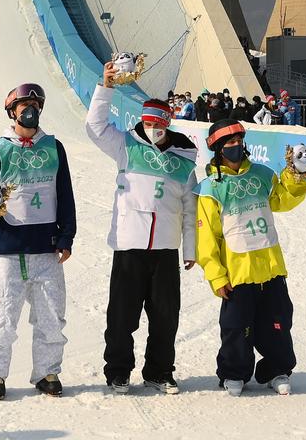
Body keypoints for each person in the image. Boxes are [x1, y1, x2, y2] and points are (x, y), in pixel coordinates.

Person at [86, 64, 199, 395]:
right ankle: (118, 371)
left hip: (165, 248)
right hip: (130, 243)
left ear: (167, 124)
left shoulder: (184, 160)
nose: (153, 128)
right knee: (122, 315)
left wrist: (189, 250)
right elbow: (94, 127)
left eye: (158, 123)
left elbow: (191, 210)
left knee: (166, 317)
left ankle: (159, 371)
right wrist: (105, 86)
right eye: (148, 122)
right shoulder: (126, 146)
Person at [195, 119, 306, 397]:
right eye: (229, 143)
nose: (236, 147)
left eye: (239, 141)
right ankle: (234, 372)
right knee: (236, 327)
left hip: (270, 267)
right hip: (238, 273)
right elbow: (206, 238)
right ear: (218, 149)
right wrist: (216, 275)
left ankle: (277, 369)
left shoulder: (262, 174)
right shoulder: (211, 187)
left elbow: (283, 200)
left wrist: (297, 175)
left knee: (278, 322)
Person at [0, 83, 77, 400]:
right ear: (12, 111)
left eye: (35, 103)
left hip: (45, 248)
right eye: (23, 104)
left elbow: (65, 194)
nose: (30, 109)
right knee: (1, 316)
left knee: (51, 316)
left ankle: (48, 372)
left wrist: (66, 235)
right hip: (7, 248)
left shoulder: (53, 147)